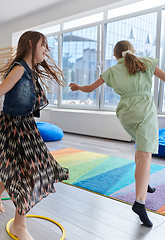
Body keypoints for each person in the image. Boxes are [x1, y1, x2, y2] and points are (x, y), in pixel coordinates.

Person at [0, 31, 69, 240]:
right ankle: (19, 225)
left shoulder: (31, 71)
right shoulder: (19, 69)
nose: (46, 50)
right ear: (31, 43)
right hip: (13, 126)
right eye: (43, 45)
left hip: (26, 124)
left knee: (42, 168)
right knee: (27, 173)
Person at [69, 40, 165, 227]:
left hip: (125, 113)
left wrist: (77, 87)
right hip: (144, 109)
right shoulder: (146, 62)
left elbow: (89, 89)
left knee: (140, 146)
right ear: (132, 50)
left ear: (115, 56)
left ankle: (144, 183)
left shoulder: (112, 71)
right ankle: (139, 202)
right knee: (146, 154)